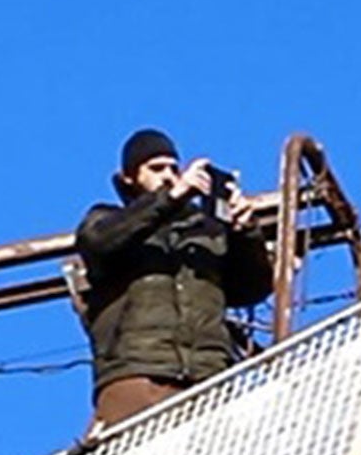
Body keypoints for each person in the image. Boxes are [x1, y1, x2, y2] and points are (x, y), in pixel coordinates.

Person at [74, 128, 274, 433]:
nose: (168, 175)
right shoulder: (107, 219)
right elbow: (98, 241)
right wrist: (171, 197)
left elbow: (252, 288)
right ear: (128, 178)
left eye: (173, 168)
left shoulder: (205, 230)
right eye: (156, 169)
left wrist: (245, 232)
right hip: (137, 374)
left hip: (208, 380)